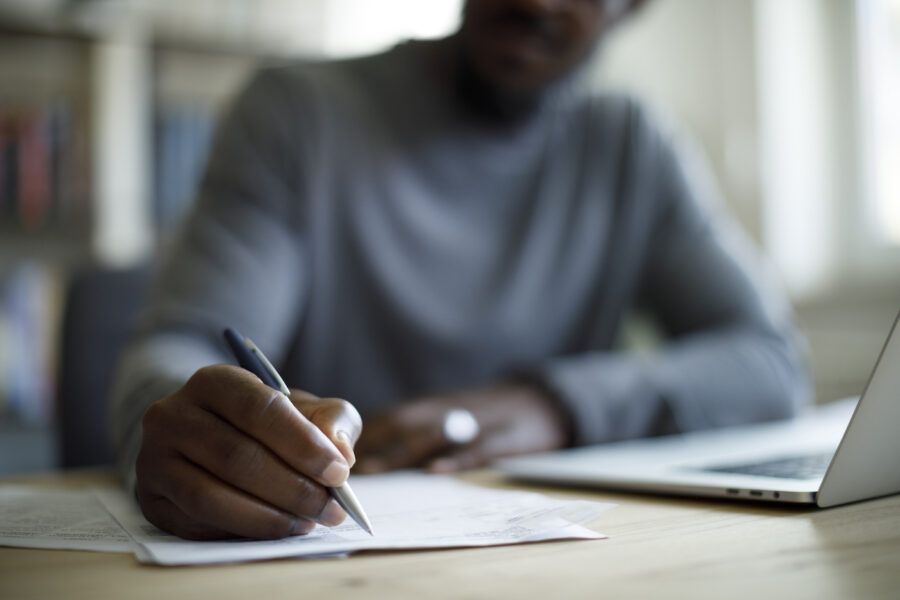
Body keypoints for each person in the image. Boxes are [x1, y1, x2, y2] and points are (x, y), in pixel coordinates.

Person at [111, 0, 809, 541]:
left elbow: (769, 360)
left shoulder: (630, 146)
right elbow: (182, 347)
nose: (536, 1)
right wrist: (178, 430)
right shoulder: (297, 115)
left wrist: (553, 405)